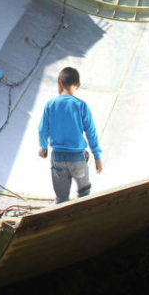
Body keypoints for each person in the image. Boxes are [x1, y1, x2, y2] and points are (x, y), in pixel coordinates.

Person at [38, 66, 103, 204]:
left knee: (61, 199)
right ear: (78, 86)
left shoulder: (50, 104)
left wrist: (43, 148)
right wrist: (97, 156)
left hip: (58, 158)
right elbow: (91, 132)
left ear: (59, 82)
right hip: (77, 158)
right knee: (84, 195)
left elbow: (42, 130)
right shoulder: (82, 106)